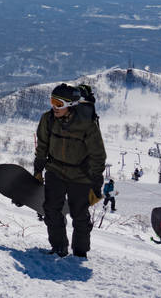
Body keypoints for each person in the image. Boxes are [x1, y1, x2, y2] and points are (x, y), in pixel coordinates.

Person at [33, 83, 107, 258]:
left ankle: (80, 252)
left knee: (79, 214)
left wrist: (96, 182)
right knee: (51, 209)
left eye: (59, 104)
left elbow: (98, 155)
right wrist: (38, 171)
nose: (54, 107)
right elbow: (42, 147)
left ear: (71, 105)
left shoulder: (86, 125)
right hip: (55, 170)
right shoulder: (47, 119)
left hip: (80, 175)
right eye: (52, 102)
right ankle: (59, 247)